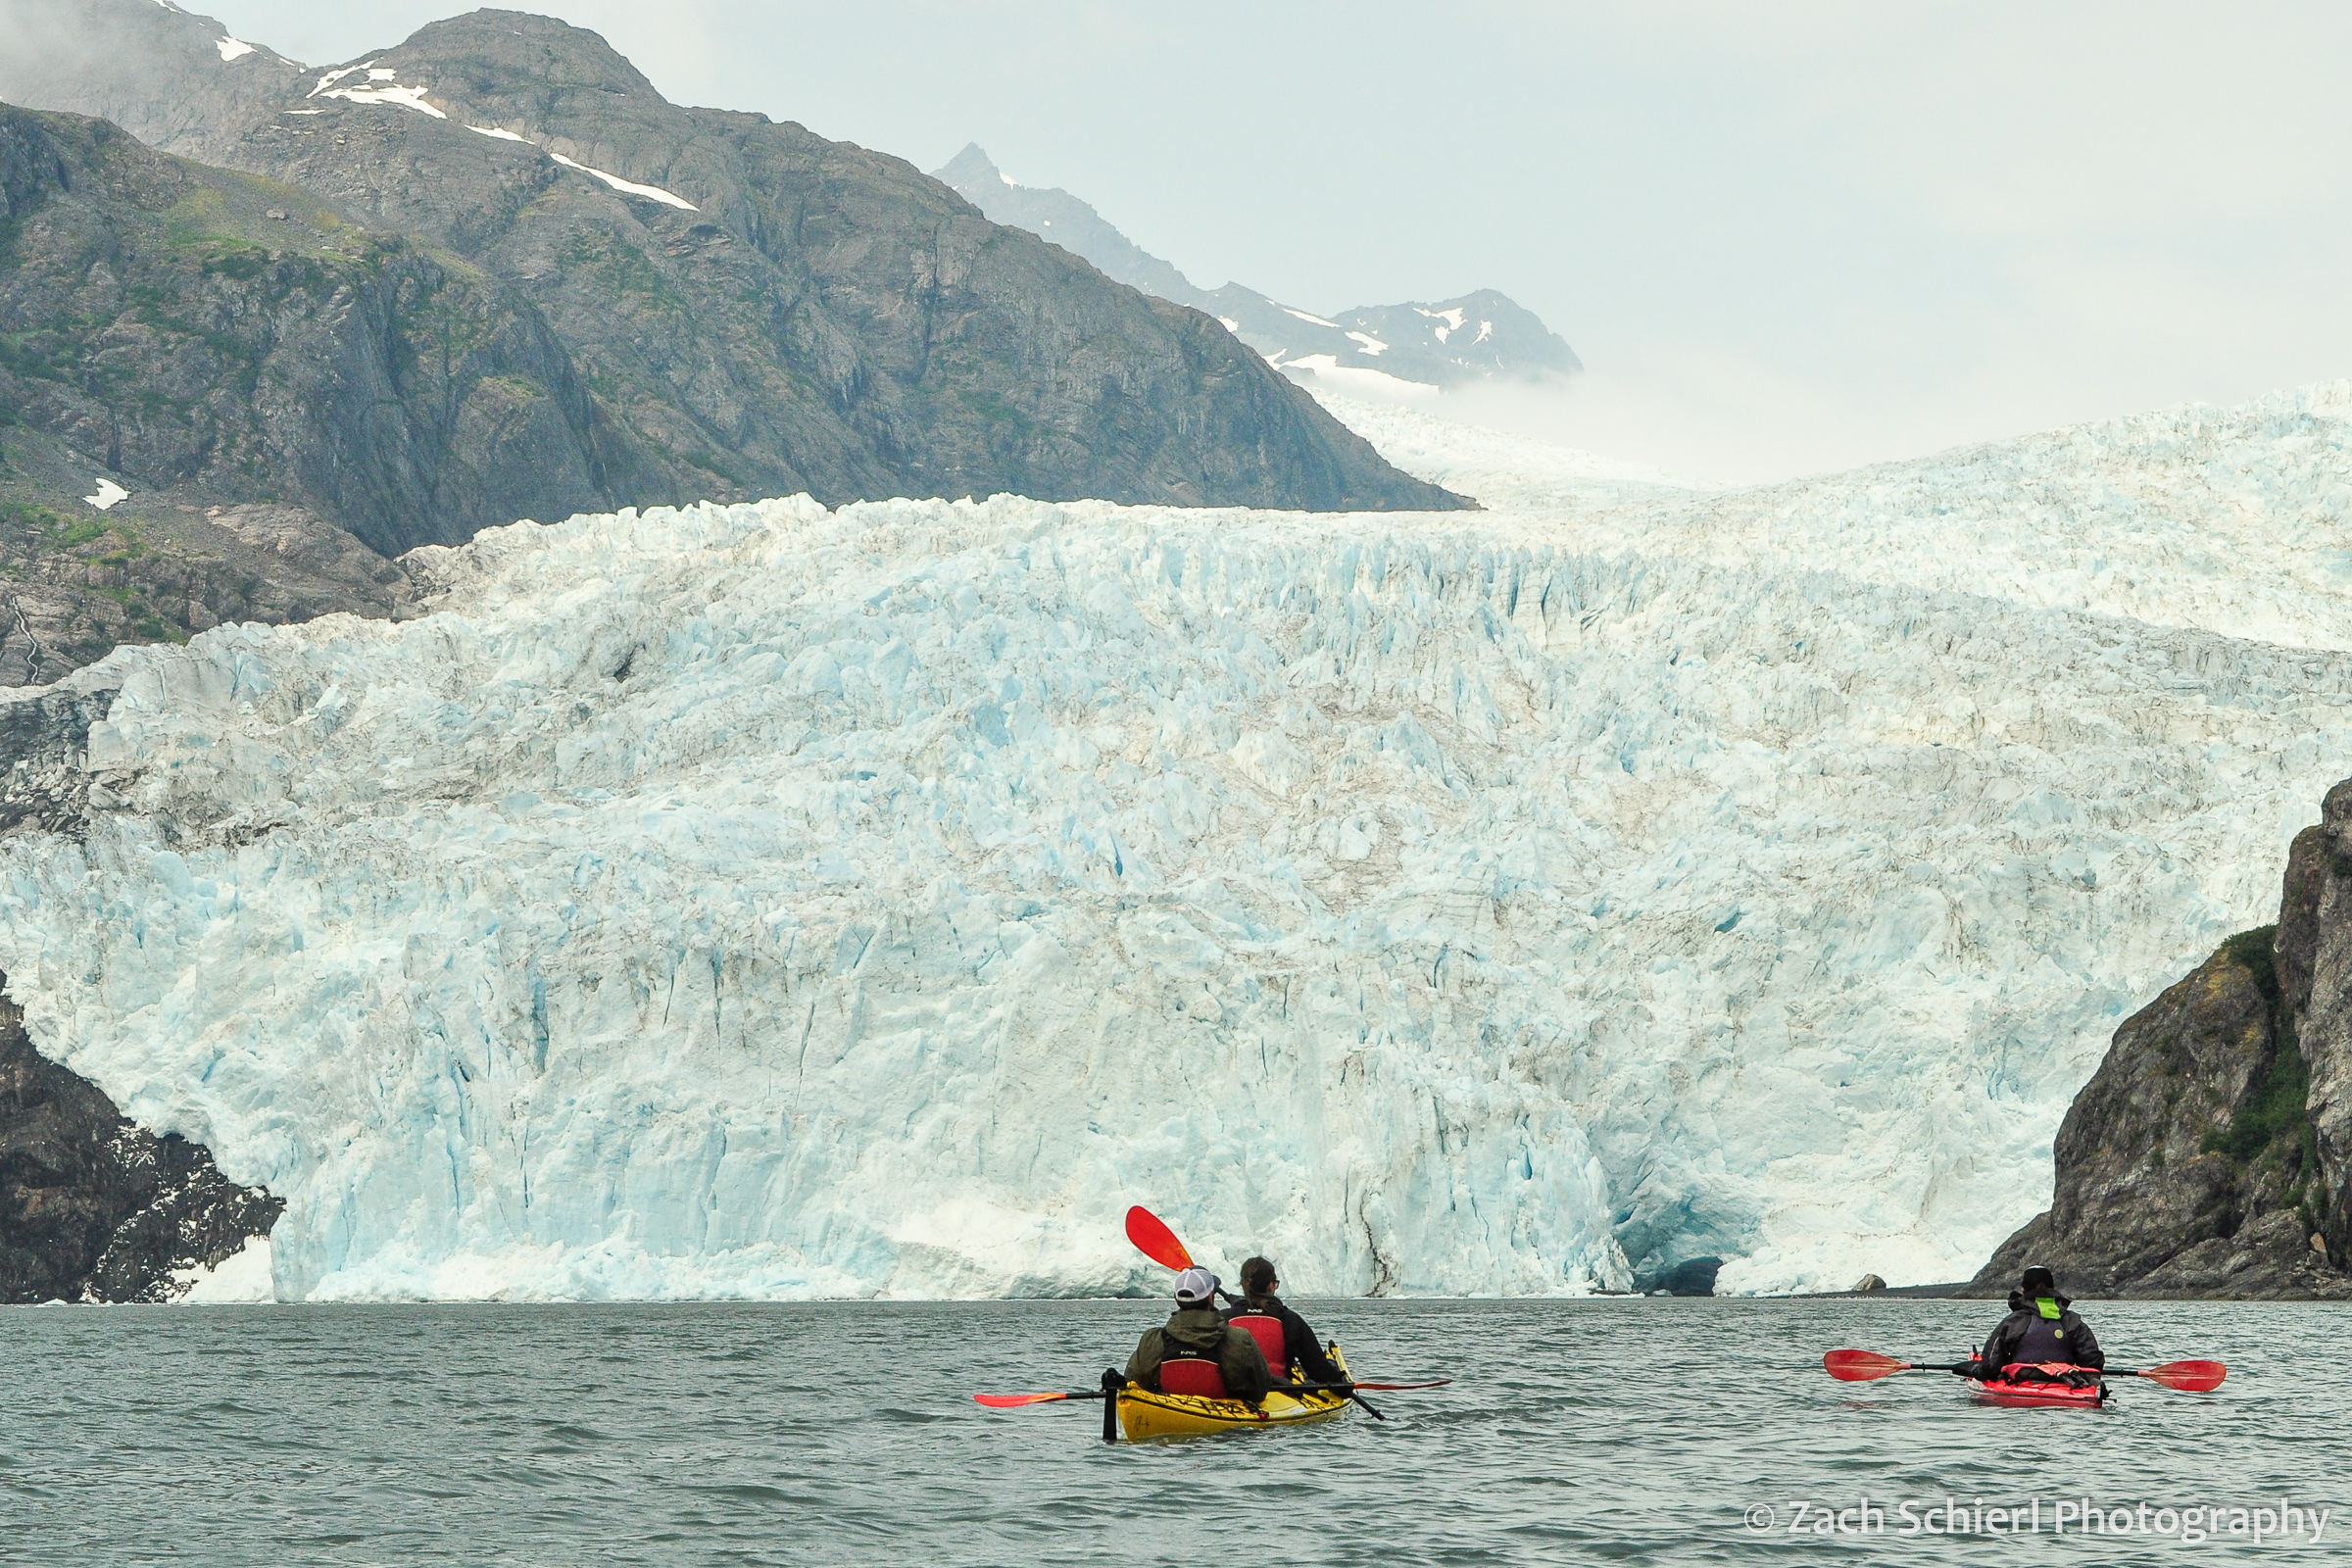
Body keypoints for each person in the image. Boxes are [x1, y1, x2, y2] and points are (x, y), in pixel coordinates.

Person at [1125, 1266, 1271, 1405]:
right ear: (1211, 1298)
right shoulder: (1239, 1338)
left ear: (1176, 1298)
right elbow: (1260, 1390)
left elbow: (1132, 1383)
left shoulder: (1152, 1340)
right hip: (1229, 1420)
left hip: (1169, 1413)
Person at [1957, 1264, 2105, 1383]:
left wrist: (1977, 1371)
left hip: (2021, 1380)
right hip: (2067, 1383)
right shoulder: (2073, 1321)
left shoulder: (2015, 1321)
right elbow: (2093, 1361)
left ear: (2024, 1290)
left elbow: (1991, 1366)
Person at [1226, 1255, 1344, 1386]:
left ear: (1244, 1285)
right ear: (1271, 1286)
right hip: (1279, 1392)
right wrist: (1341, 1384)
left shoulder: (1224, 1318)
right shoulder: (1289, 1320)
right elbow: (1318, 1370)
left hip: (1232, 1395)